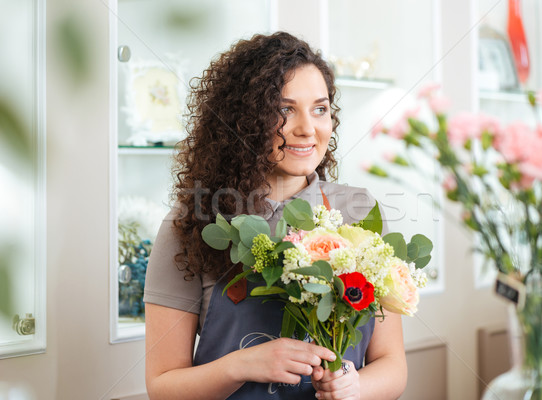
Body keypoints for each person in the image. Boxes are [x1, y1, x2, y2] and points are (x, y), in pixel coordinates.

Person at [143, 31, 407, 400]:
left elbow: (392, 365)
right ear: (244, 121)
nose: (307, 128)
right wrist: (242, 365)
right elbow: (162, 385)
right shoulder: (192, 222)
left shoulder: (360, 212)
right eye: (284, 110)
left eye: (320, 108)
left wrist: (355, 387)